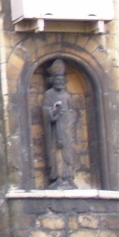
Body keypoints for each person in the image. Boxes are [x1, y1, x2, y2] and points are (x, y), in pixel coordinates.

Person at [42, 58, 77, 189]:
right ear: (53, 81)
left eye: (62, 80)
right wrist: (55, 111)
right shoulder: (49, 94)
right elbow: (46, 111)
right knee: (56, 152)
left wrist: (69, 118)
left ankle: (68, 177)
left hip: (66, 128)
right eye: (57, 80)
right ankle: (58, 177)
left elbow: (71, 111)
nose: (60, 82)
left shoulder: (67, 96)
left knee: (68, 152)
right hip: (55, 130)